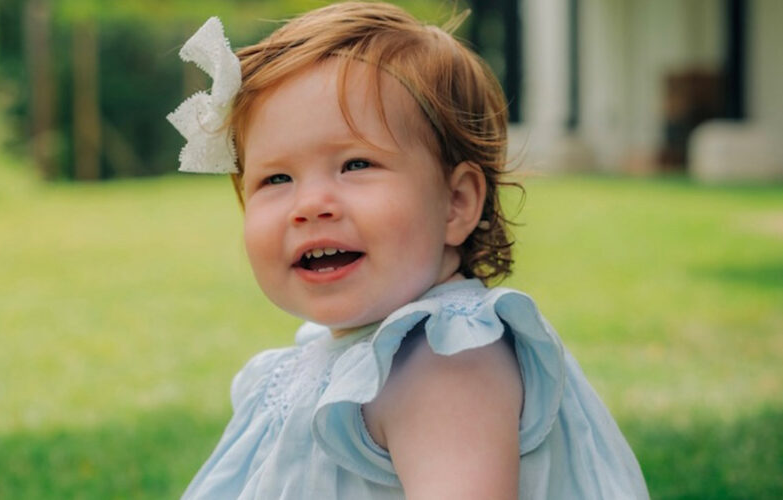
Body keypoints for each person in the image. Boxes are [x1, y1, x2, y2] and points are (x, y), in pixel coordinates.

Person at [167, 2, 649, 499]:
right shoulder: (352, 353)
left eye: (355, 164)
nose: (309, 205)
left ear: (455, 204)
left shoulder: (447, 362)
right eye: (277, 178)